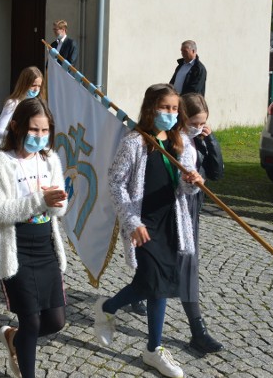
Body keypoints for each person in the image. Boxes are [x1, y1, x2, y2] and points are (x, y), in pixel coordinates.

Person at [92, 83, 202, 378]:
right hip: (143, 223)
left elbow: (185, 188)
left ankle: (133, 331)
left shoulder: (180, 141)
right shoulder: (135, 142)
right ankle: (124, 322)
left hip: (171, 222)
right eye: (165, 107)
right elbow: (115, 182)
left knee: (158, 285)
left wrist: (192, 181)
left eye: (174, 108)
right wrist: (132, 222)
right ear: (151, 108)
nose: (170, 113)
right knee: (153, 281)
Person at [0, 98, 68, 378]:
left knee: (56, 321)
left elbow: (59, 209)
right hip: (16, 249)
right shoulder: (2, 163)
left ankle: (13, 338)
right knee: (31, 321)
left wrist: (56, 201)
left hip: (46, 247)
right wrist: (38, 200)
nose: (40, 137)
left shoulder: (50, 159)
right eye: (34, 130)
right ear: (17, 126)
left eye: (45, 131)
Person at [179, 93, 224, 353]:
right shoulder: (172, 142)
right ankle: (129, 297)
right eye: (194, 122)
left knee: (186, 265)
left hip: (192, 207)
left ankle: (198, 331)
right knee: (173, 264)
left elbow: (217, 173)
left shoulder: (200, 140)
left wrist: (211, 140)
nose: (198, 127)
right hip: (173, 208)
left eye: (202, 123)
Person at [0, 66, 43, 142]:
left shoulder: (39, 104)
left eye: (39, 86)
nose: (36, 89)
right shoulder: (13, 103)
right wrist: (21, 137)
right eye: (33, 85)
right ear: (24, 84)